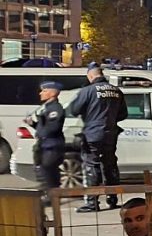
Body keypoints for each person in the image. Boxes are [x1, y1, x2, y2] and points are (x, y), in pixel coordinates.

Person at [68, 64, 128, 212]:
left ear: (90, 76)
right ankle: (113, 199)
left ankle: (92, 202)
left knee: (91, 165)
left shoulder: (88, 91)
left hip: (93, 134)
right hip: (111, 134)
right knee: (110, 165)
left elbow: (74, 109)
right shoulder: (116, 91)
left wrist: (90, 115)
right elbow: (123, 114)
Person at [25, 81, 65, 199]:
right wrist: (33, 124)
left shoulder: (55, 109)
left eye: (44, 91)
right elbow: (45, 127)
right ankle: (51, 194)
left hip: (52, 146)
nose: (41, 93)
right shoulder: (46, 108)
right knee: (45, 171)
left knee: (48, 171)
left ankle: (52, 196)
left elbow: (53, 128)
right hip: (45, 145)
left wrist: (40, 130)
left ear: (52, 93)